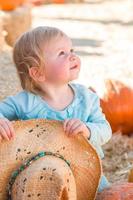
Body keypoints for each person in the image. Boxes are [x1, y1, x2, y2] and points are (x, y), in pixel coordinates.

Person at [0, 26, 112, 192]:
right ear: (38, 73)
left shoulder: (86, 99)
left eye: (71, 50)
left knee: (108, 195)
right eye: (62, 53)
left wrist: (87, 130)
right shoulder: (25, 102)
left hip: (83, 173)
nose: (72, 56)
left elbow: (105, 130)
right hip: (39, 178)